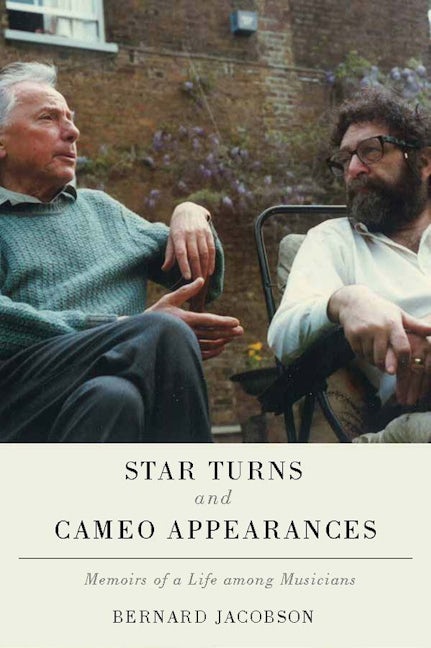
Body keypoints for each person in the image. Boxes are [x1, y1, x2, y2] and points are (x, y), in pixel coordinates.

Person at [0, 60, 243, 443]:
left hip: (96, 397)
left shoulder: (101, 209)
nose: (72, 131)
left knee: (114, 397)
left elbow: (201, 278)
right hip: (18, 400)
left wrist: (192, 214)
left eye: (70, 119)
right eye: (48, 118)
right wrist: (120, 328)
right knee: (163, 330)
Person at [268, 87, 431, 441]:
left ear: (423, 162)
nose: (353, 169)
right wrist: (346, 301)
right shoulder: (334, 240)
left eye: (370, 151)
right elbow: (282, 335)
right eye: (344, 160)